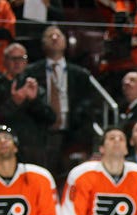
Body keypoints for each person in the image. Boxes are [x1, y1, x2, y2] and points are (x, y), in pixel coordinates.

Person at [24, 26, 99, 185]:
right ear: (42, 44)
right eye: (49, 36)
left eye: (58, 35)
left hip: (72, 133)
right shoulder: (31, 72)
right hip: (41, 134)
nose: (54, 38)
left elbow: (89, 107)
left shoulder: (80, 74)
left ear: (66, 43)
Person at [0, 43, 56, 167]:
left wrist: (34, 100)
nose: (18, 62)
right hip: (2, 151)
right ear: (4, 60)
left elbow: (50, 119)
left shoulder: (34, 86)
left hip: (32, 152)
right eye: (13, 58)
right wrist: (14, 103)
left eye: (21, 58)